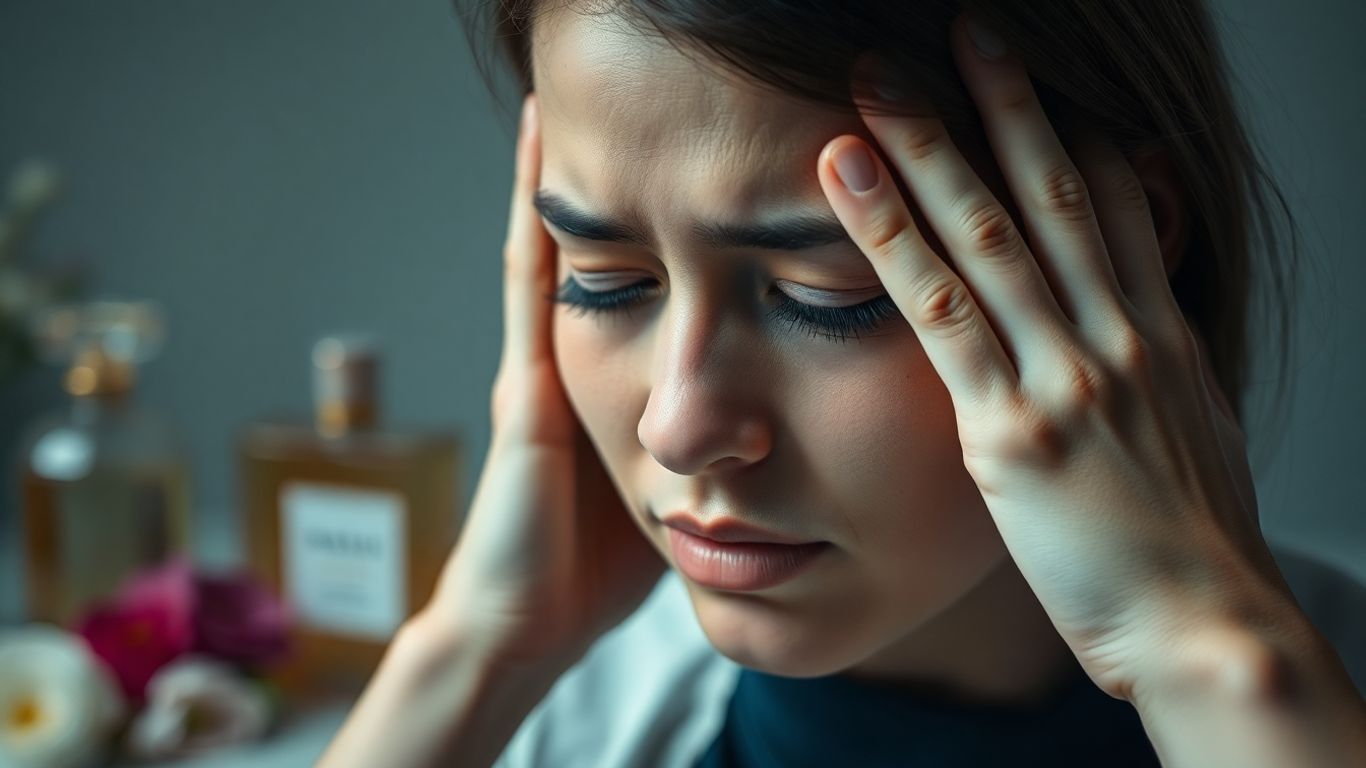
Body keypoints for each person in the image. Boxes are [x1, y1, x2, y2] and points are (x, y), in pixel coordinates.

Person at [319, 1, 1366, 765]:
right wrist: (471, 657)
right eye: (604, 282)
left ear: (1118, 241)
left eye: (826, 296)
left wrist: (1218, 669)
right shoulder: (551, 730)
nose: (678, 426)